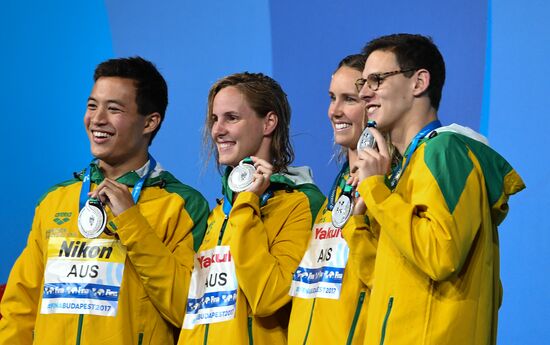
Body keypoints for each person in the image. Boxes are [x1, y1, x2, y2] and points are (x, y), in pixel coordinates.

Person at [0, 56, 209, 344]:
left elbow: (188, 311)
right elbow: (19, 308)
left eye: (114, 109)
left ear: (149, 122)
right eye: (92, 105)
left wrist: (132, 222)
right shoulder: (55, 201)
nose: (97, 119)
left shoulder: (183, 205)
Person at [346, 33, 525, 344]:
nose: (364, 94)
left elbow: (440, 255)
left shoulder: (446, 151)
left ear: (419, 82)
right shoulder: (405, 168)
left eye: (376, 80)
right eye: (363, 84)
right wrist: (360, 222)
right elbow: (384, 278)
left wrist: (376, 189)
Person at [178, 72, 324, 344]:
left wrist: (247, 204)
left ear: (268, 122)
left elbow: (268, 296)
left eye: (231, 118)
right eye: (214, 119)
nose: (217, 130)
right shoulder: (220, 212)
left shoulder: (302, 202)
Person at [287, 54, 380, 344]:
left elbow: (385, 280)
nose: (334, 111)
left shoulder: (385, 188)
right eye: (332, 98)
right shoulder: (334, 195)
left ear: (373, 104)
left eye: (349, 99)